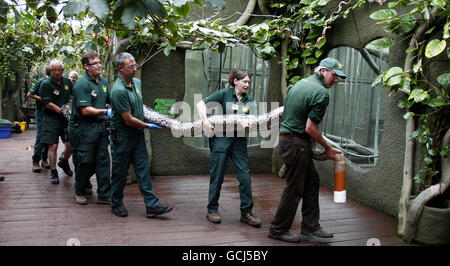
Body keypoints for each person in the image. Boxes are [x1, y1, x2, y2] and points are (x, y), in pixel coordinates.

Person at [268, 58, 345, 243]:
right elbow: (310, 128)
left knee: (312, 182)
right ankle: (277, 230)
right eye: (334, 75)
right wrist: (327, 147)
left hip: (288, 142)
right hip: (297, 145)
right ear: (324, 70)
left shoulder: (301, 83)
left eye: (338, 77)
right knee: (294, 189)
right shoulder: (321, 93)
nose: (336, 80)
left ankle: (311, 227)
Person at [109, 52, 172, 218]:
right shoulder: (118, 91)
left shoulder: (136, 82)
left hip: (137, 136)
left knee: (143, 169)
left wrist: (156, 119)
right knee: (120, 172)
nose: (134, 69)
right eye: (131, 67)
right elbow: (128, 120)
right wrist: (147, 125)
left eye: (135, 65)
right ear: (120, 69)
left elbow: (139, 106)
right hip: (123, 136)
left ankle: (152, 206)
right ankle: (116, 203)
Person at [196, 70, 261, 227]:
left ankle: (246, 212)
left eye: (248, 82)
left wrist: (247, 126)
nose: (247, 85)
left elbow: (250, 125)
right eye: (244, 81)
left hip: (239, 142)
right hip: (221, 139)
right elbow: (200, 103)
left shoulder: (249, 100)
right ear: (235, 82)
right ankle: (212, 209)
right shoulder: (224, 94)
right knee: (217, 175)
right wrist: (205, 121)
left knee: (245, 177)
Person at [68, 52, 112, 205]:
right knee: (85, 161)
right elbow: (85, 110)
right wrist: (106, 112)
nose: (99, 65)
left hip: (100, 126)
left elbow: (110, 100)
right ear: (86, 67)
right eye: (95, 63)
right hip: (83, 127)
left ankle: (104, 194)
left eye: (100, 62)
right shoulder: (82, 84)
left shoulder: (103, 83)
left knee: (103, 160)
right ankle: (79, 190)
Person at [39, 59, 73, 184]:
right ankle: (54, 172)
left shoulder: (67, 82)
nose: (57, 72)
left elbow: (72, 96)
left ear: (63, 71)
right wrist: (62, 111)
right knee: (53, 146)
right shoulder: (46, 84)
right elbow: (48, 103)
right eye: (54, 70)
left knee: (71, 144)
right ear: (50, 70)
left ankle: (64, 161)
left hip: (66, 119)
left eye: (59, 70)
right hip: (51, 119)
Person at [27, 67, 50, 173]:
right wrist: (42, 98)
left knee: (49, 136)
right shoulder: (41, 81)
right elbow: (30, 94)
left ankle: (44, 159)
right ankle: (36, 160)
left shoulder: (56, 82)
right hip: (41, 112)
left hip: (51, 113)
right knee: (41, 135)